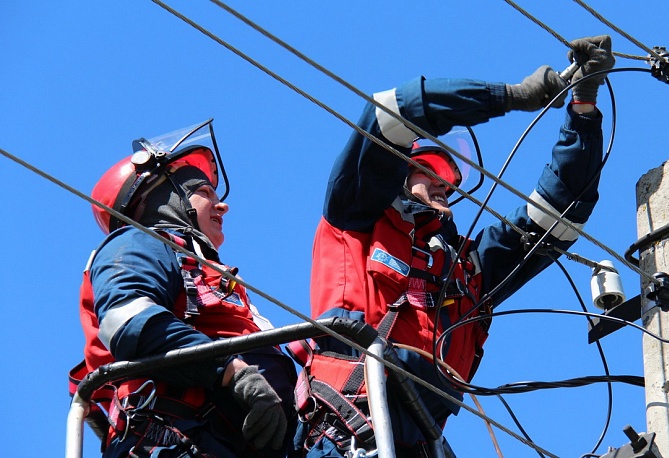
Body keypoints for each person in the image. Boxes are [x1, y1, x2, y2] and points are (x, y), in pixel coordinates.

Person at [293, 35, 615, 457]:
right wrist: (510, 97)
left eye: (453, 173)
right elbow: (392, 111)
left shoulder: (469, 267)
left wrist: (584, 108)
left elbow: (562, 210)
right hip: (349, 430)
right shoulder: (356, 214)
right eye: (431, 168)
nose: (446, 181)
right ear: (400, 174)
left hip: (422, 442)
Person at [68, 120, 297, 457]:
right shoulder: (139, 243)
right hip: (181, 438)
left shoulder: (211, 274)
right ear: (163, 199)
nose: (222, 206)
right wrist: (232, 372)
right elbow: (128, 321)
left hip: (232, 438)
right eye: (204, 192)